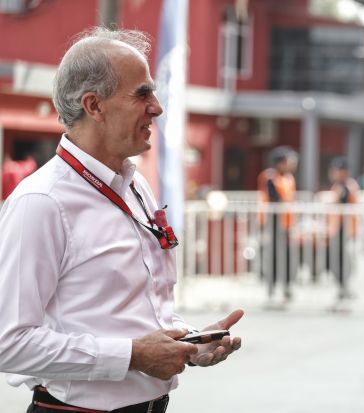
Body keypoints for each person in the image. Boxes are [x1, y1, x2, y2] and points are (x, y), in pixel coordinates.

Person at [0, 27, 243, 413]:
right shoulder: (41, 202)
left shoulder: (135, 185)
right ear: (94, 106)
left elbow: (127, 312)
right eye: (142, 94)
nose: (157, 107)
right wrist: (133, 356)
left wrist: (189, 343)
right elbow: (8, 344)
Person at [257, 146, 298, 303]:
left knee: (286, 256)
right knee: (273, 256)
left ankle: (286, 287)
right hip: (272, 223)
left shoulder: (289, 178)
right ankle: (271, 289)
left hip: (286, 224)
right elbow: (275, 199)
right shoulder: (270, 177)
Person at [326, 156, 359, 301]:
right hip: (337, 229)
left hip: (345, 230)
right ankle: (342, 287)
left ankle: (344, 288)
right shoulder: (339, 185)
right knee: (337, 259)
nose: (334, 173)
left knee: (343, 260)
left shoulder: (346, 186)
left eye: (337, 170)